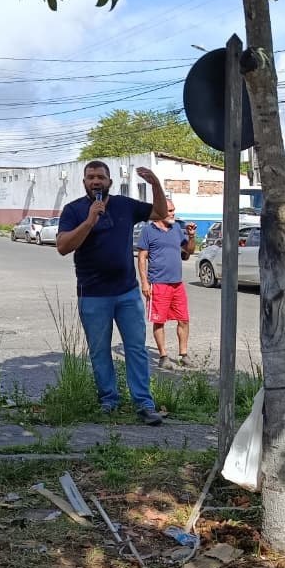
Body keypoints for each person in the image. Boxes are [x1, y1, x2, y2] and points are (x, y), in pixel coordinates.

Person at [56, 161, 167, 425]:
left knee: (136, 348)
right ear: (84, 182)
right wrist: (89, 220)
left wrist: (156, 185)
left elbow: (160, 212)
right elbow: (62, 246)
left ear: (110, 182)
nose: (96, 181)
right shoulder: (74, 210)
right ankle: (109, 400)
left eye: (101, 177)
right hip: (93, 294)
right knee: (99, 350)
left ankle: (144, 403)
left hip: (126, 293)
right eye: (91, 177)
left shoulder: (125, 206)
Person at [136, 199, 196, 367]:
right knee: (159, 320)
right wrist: (145, 283)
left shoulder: (176, 228)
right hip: (158, 284)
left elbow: (189, 251)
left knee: (183, 319)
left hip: (177, 284)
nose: (173, 213)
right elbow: (142, 258)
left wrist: (191, 236)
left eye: (173, 210)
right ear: (160, 212)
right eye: (169, 211)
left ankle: (183, 354)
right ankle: (163, 356)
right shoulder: (148, 231)